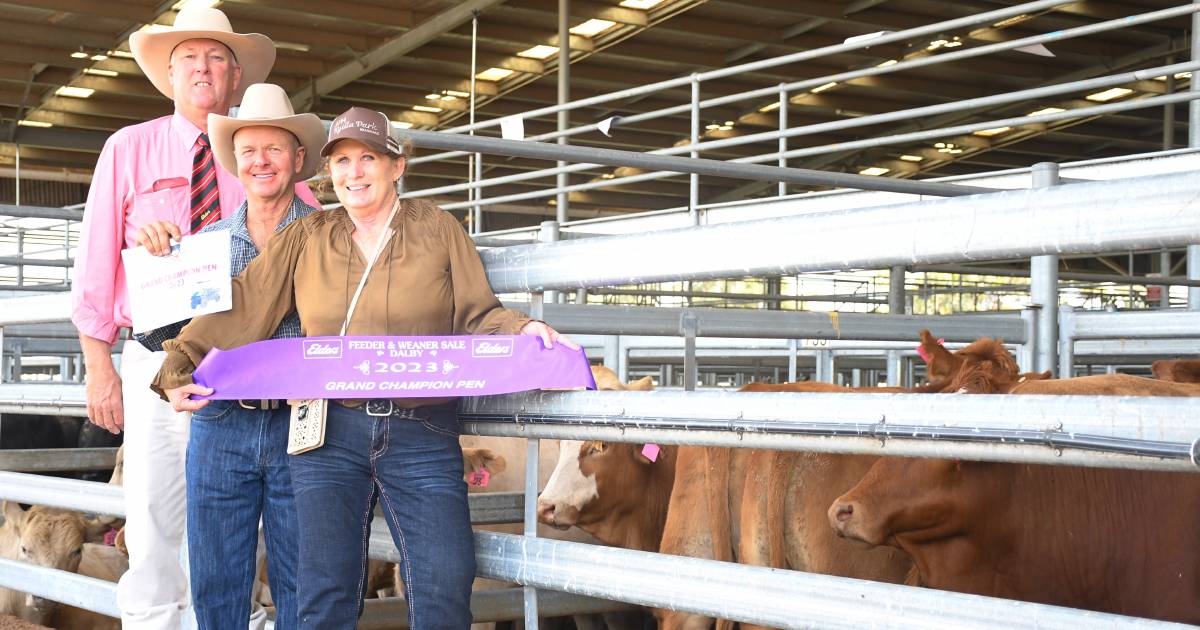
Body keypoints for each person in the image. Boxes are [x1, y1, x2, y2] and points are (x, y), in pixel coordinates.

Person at [152, 106, 575, 629]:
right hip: (330, 429)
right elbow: (247, 303)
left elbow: (478, 311)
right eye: (343, 160)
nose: (354, 171)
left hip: (421, 427)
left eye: (368, 158)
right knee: (324, 591)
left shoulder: (437, 228)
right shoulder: (309, 236)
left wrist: (519, 329)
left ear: (397, 166)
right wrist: (181, 359)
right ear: (329, 172)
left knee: (445, 579)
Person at [69, 7, 318, 629]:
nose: (203, 70)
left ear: (235, 76)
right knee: (152, 510)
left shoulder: (263, 158)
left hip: (240, 365)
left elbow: (319, 238)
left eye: (215, 59)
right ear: (170, 74)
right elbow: (97, 262)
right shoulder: (129, 148)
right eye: (189, 60)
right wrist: (99, 368)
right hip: (157, 352)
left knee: (234, 512)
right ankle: (154, 621)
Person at [134, 83, 324, 630]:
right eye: (248, 151)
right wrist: (157, 260)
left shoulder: (329, 239)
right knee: (216, 578)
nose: (261, 161)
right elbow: (163, 337)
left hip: (304, 422)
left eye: (274, 149)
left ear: (298, 158)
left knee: (303, 580)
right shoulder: (203, 243)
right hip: (220, 422)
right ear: (235, 163)